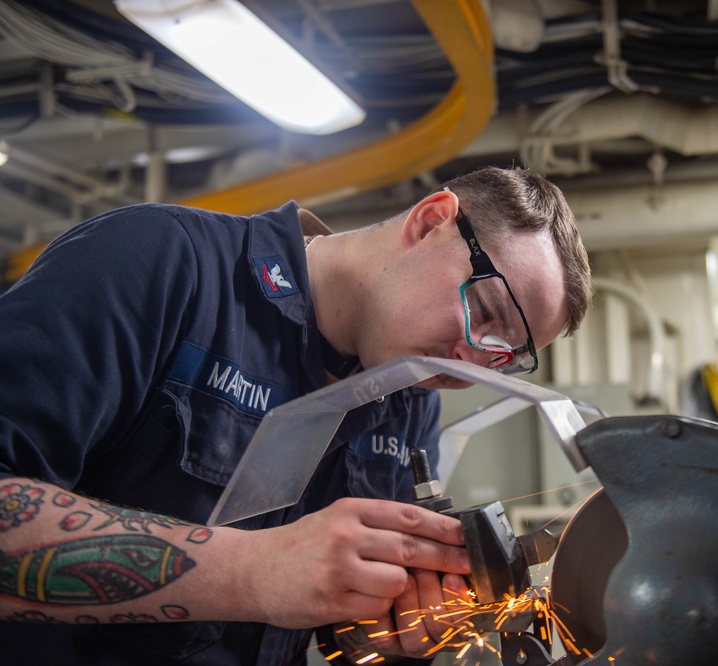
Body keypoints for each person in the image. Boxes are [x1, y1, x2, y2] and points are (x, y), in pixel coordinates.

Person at [0, 166, 592, 665]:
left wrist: (385, 627)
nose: (471, 359)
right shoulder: (160, 261)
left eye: (503, 356)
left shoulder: (411, 403)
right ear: (430, 220)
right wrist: (253, 571)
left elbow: (337, 633)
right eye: (485, 312)